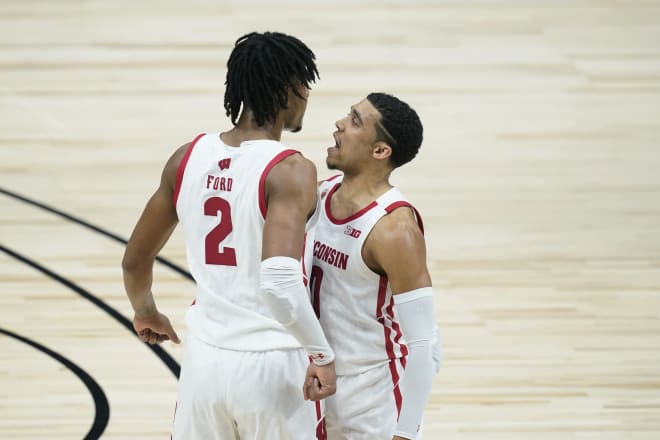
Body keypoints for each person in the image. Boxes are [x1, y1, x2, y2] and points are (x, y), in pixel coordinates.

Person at [121, 31, 336, 440]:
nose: (307, 96)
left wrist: (146, 310)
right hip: (274, 364)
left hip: (204, 362)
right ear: (289, 90)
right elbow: (279, 280)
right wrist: (322, 354)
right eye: (305, 85)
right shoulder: (290, 169)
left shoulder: (186, 158)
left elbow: (134, 260)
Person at [308, 92, 438, 440]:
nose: (339, 123)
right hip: (313, 391)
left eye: (354, 120)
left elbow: (424, 343)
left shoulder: (395, 229)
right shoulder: (317, 195)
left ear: (381, 151)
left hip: (370, 405)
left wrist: (406, 432)